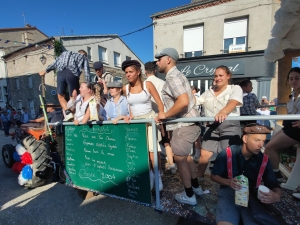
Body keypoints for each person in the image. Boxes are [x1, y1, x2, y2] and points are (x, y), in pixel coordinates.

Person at [156, 48, 203, 205]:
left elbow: (183, 101)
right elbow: (191, 101)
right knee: (187, 158)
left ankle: (189, 195)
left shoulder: (172, 77)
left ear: (168, 59)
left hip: (184, 125)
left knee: (180, 159)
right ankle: (196, 187)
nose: (157, 62)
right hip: (189, 123)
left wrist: (165, 114)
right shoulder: (178, 75)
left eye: (159, 59)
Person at [210, 123, 282, 225]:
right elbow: (213, 176)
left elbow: (274, 185)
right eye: (257, 140)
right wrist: (228, 182)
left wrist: (276, 196)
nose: (261, 145)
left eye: (263, 141)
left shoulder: (263, 159)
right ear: (245, 139)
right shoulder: (227, 153)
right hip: (229, 195)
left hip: (253, 197)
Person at [121, 59, 164, 191]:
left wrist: (160, 114)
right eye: (126, 72)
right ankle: (150, 175)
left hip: (150, 121)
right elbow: (129, 106)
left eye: (131, 71)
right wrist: (128, 116)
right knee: (142, 153)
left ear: (138, 72)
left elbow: (159, 102)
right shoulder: (125, 88)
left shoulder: (148, 84)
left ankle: (158, 176)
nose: (128, 74)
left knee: (152, 153)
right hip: (136, 123)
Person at [196, 65, 243, 182]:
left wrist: (223, 112)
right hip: (212, 126)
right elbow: (196, 101)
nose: (217, 78)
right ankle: (198, 180)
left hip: (230, 125)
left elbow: (234, 102)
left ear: (228, 76)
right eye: (216, 76)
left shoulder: (235, 88)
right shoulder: (209, 91)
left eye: (221, 75)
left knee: (229, 156)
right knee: (204, 154)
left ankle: (231, 184)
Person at [265, 67, 300, 182]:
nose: (293, 81)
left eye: (297, 78)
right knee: (268, 147)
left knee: (270, 147)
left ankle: (276, 176)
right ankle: (268, 171)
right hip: (289, 126)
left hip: (297, 129)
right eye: (291, 79)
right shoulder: (293, 94)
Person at [144, 61, 177, 175]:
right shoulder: (162, 82)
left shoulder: (143, 84)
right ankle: (171, 164)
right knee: (166, 141)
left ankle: (157, 170)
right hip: (163, 115)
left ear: (144, 72)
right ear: (155, 71)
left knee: (152, 145)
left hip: (150, 117)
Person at [39, 50, 91, 121]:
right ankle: (74, 116)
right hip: (72, 75)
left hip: (61, 73)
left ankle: (67, 112)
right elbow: (86, 71)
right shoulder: (83, 57)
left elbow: (55, 63)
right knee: (73, 98)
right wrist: (89, 85)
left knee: (60, 96)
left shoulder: (64, 53)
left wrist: (45, 71)